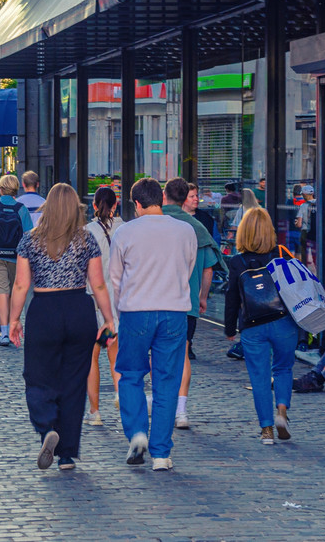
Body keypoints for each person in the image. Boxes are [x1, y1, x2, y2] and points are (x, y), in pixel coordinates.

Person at [8, 184, 114, 470]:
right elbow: (98, 283)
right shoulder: (86, 239)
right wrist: (109, 318)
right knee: (73, 382)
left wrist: (14, 319)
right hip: (79, 309)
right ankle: (67, 453)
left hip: (45, 310)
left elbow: (20, 284)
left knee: (38, 375)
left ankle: (47, 427)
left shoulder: (30, 240)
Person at [108, 177, 197, 472]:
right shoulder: (186, 231)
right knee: (167, 380)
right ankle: (161, 453)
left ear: (136, 204)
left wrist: (121, 311)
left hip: (136, 310)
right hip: (174, 311)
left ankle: (137, 433)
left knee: (130, 373)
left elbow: (115, 279)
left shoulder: (125, 232)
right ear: (161, 198)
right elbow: (189, 267)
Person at [223, 208, 297, 445]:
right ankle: (282, 411)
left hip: (252, 326)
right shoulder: (283, 255)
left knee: (259, 378)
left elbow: (232, 297)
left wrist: (229, 329)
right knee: (284, 369)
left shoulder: (237, 261)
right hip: (283, 321)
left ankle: (266, 430)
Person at [163, 178, 224, 430]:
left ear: (165, 196)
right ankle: (181, 410)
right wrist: (202, 297)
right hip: (187, 303)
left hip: (160, 300)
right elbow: (209, 269)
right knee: (184, 352)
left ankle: (161, 403)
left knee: (160, 354)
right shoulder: (198, 228)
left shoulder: (157, 223)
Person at [0, 174, 34, 347]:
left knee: (2, 293)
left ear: (1, 188)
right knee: (12, 292)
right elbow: (28, 236)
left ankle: (4, 333)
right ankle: (14, 326)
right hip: (16, 256)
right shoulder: (21, 208)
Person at [83, 186, 121, 426]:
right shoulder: (125, 228)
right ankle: (119, 393)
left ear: (94, 206)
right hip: (118, 303)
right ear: (115, 206)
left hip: (95, 304)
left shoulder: (87, 232)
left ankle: (95, 411)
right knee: (114, 354)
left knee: (92, 357)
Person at [294, 184, 316, 267]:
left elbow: (299, 224)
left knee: (304, 253)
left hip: (305, 232)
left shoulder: (303, 206)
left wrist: (295, 223)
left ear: (305, 194)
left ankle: (305, 268)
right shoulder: (319, 203)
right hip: (316, 232)